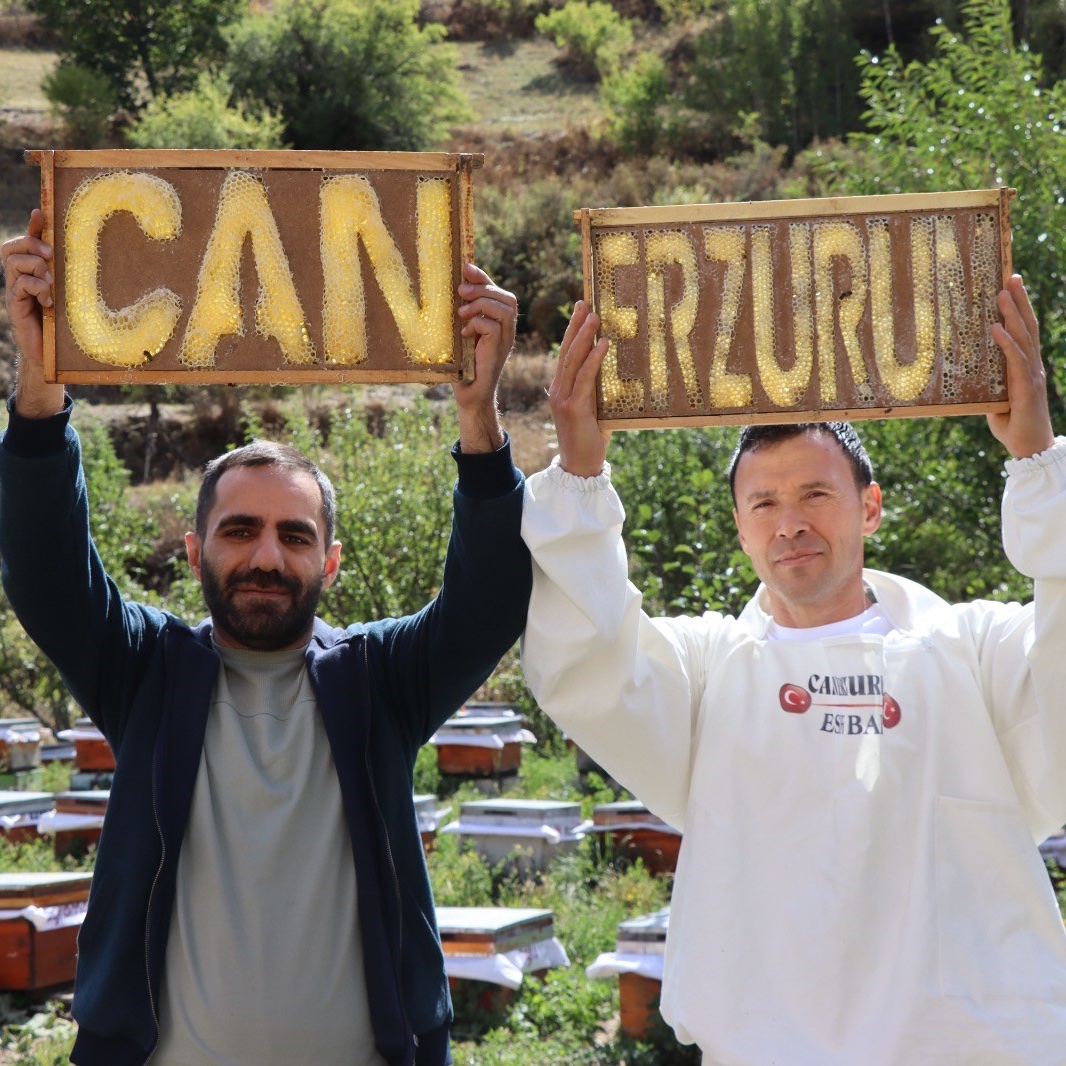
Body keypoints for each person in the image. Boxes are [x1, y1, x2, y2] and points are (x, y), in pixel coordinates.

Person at [0, 208, 532, 1066]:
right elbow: (46, 573)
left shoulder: (378, 680)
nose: (265, 557)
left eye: (295, 536)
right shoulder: (146, 673)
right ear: (194, 550)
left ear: (330, 564)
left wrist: (480, 415)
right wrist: (39, 379)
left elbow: (492, 601)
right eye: (240, 530)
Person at [521, 280, 1066, 1064]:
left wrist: (1038, 460)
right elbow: (585, 660)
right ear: (739, 526)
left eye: (816, 493)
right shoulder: (708, 673)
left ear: (869, 506)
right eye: (765, 503)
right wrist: (578, 473)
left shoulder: (969, 651)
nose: (792, 524)